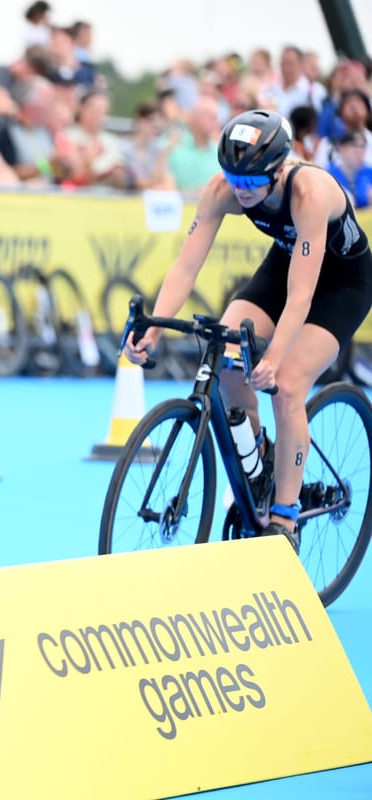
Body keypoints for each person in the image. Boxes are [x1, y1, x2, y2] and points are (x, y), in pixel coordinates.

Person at [125, 109, 372, 552]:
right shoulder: (225, 187)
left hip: (342, 284)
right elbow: (187, 265)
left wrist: (275, 359)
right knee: (223, 357)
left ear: (278, 171)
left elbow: (301, 297)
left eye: (251, 183)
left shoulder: (309, 192)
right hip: (285, 264)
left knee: (289, 384)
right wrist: (155, 331)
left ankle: (285, 518)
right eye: (233, 179)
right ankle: (260, 466)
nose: (240, 191)